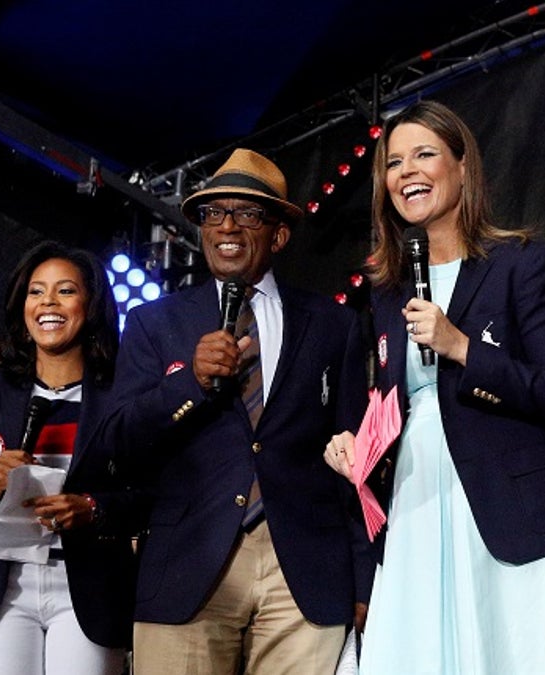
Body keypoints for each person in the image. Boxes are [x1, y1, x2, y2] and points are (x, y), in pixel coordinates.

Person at [323, 100, 545, 674]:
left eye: (425, 154)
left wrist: (464, 349)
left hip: (509, 508)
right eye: (395, 163)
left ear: (461, 166)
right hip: (416, 504)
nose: (408, 172)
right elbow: (383, 404)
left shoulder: (522, 263)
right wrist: (352, 443)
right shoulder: (383, 294)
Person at [94, 148, 369, 674]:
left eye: (246, 213)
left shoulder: (334, 326)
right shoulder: (155, 323)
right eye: (212, 213)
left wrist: (362, 575)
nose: (226, 226)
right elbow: (115, 443)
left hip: (306, 569)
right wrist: (189, 384)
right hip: (188, 561)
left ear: (279, 234)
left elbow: (352, 462)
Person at [0, 241, 148, 675]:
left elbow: (152, 493)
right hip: (2, 589)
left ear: (90, 305)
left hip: (88, 591)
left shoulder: (123, 396)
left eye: (65, 291)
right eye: (36, 292)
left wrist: (92, 509)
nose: (48, 303)